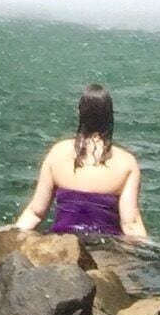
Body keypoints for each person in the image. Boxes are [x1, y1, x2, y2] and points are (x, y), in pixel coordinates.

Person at [10, 82, 149, 242]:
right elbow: (130, 224)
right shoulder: (126, 163)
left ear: (80, 113)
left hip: (63, 243)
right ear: (110, 116)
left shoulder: (57, 153)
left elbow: (36, 213)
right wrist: (155, 249)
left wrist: (11, 234)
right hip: (107, 247)